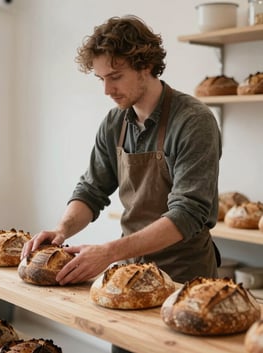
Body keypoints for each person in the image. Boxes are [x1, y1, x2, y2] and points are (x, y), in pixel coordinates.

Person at [21, 15, 221, 353]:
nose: (107, 90)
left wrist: (110, 252)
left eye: (115, 77)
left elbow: (187, 214)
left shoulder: (193, 121)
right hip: (128, 277)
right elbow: (91, 189)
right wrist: (62, 230)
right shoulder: (115, 122)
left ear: (145, 66)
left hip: (184, 277)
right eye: (101, 78)